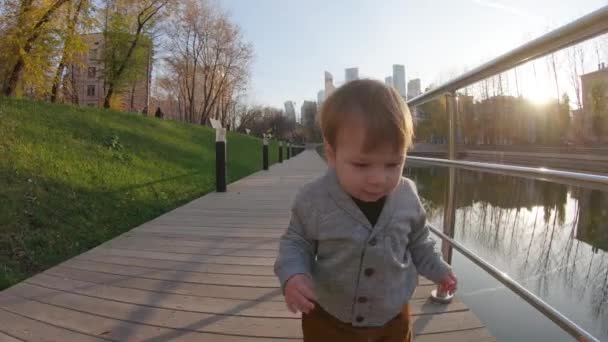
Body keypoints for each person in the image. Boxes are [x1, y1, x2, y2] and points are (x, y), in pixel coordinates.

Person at [274, 79, 457, 342]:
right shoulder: (314, 199)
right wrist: (293, 275)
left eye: (393, 164)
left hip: (392, 317)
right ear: (332, 155)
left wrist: (439, 268)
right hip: (328, 318)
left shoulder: (407, 195)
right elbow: (295, 242)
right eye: (362, 165)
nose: (378, 179)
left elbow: (419, 241)